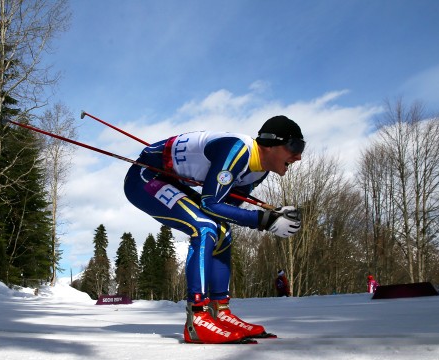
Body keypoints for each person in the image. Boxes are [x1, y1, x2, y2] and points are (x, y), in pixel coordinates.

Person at [123, 115, 305, 344]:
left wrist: (270, 216)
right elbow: (210, 203)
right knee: (205, 226)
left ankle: (220, 311)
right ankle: (197, 318)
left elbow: (226, 207)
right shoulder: (237, 151)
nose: (298, 156)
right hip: (145, 176)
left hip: (171, 179)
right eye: (294, 146)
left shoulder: (260, 170)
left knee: (222, 232)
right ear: (270, 144)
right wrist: (264, 220)